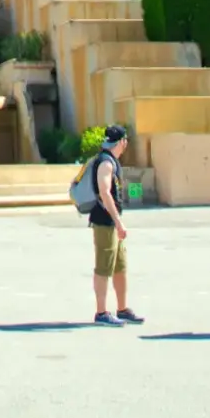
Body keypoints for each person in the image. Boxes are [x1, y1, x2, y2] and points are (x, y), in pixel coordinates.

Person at [86, 125, 142, 326]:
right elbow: (104, 192)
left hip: (111, 221)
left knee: (120, 266)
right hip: (104, 221)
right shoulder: (106, 163)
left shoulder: (111, 160)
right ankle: (101, 312)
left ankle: (122, 308)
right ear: (121, 142)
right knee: (103, 266)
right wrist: (118, 221)